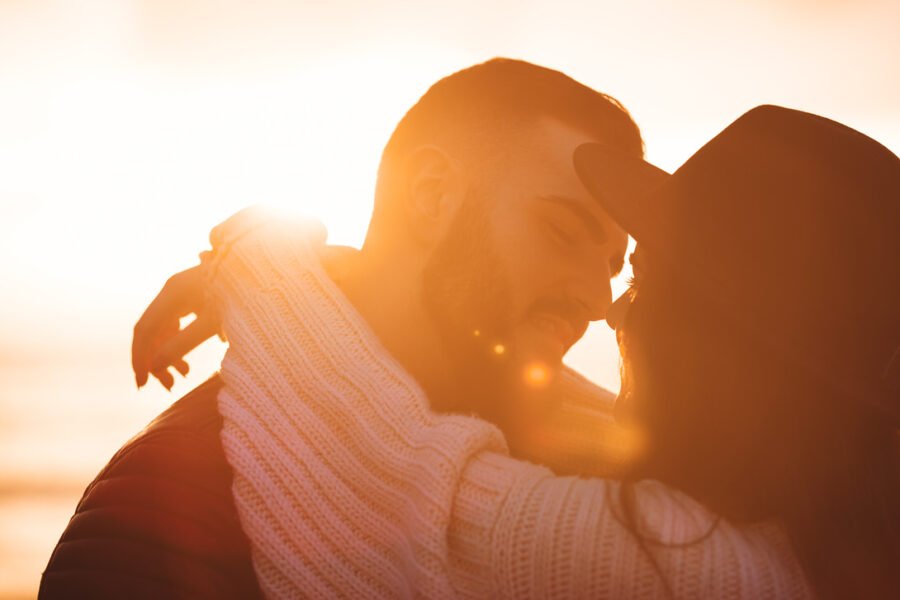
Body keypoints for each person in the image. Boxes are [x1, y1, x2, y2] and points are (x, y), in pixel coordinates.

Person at [121, 105, 898, 598]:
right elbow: (577, 415)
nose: (609, 308)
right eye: (568, 238)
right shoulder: (821, 530)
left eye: (642, 277)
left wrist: (263, 259)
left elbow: (386, 467)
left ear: (724, 349)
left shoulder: (687, 563)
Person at [40, 58, 645, 598]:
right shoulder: (169, 503)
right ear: (433, 195)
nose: (596, 302)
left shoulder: (571, 474)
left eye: (612, 269)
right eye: (563, 232)